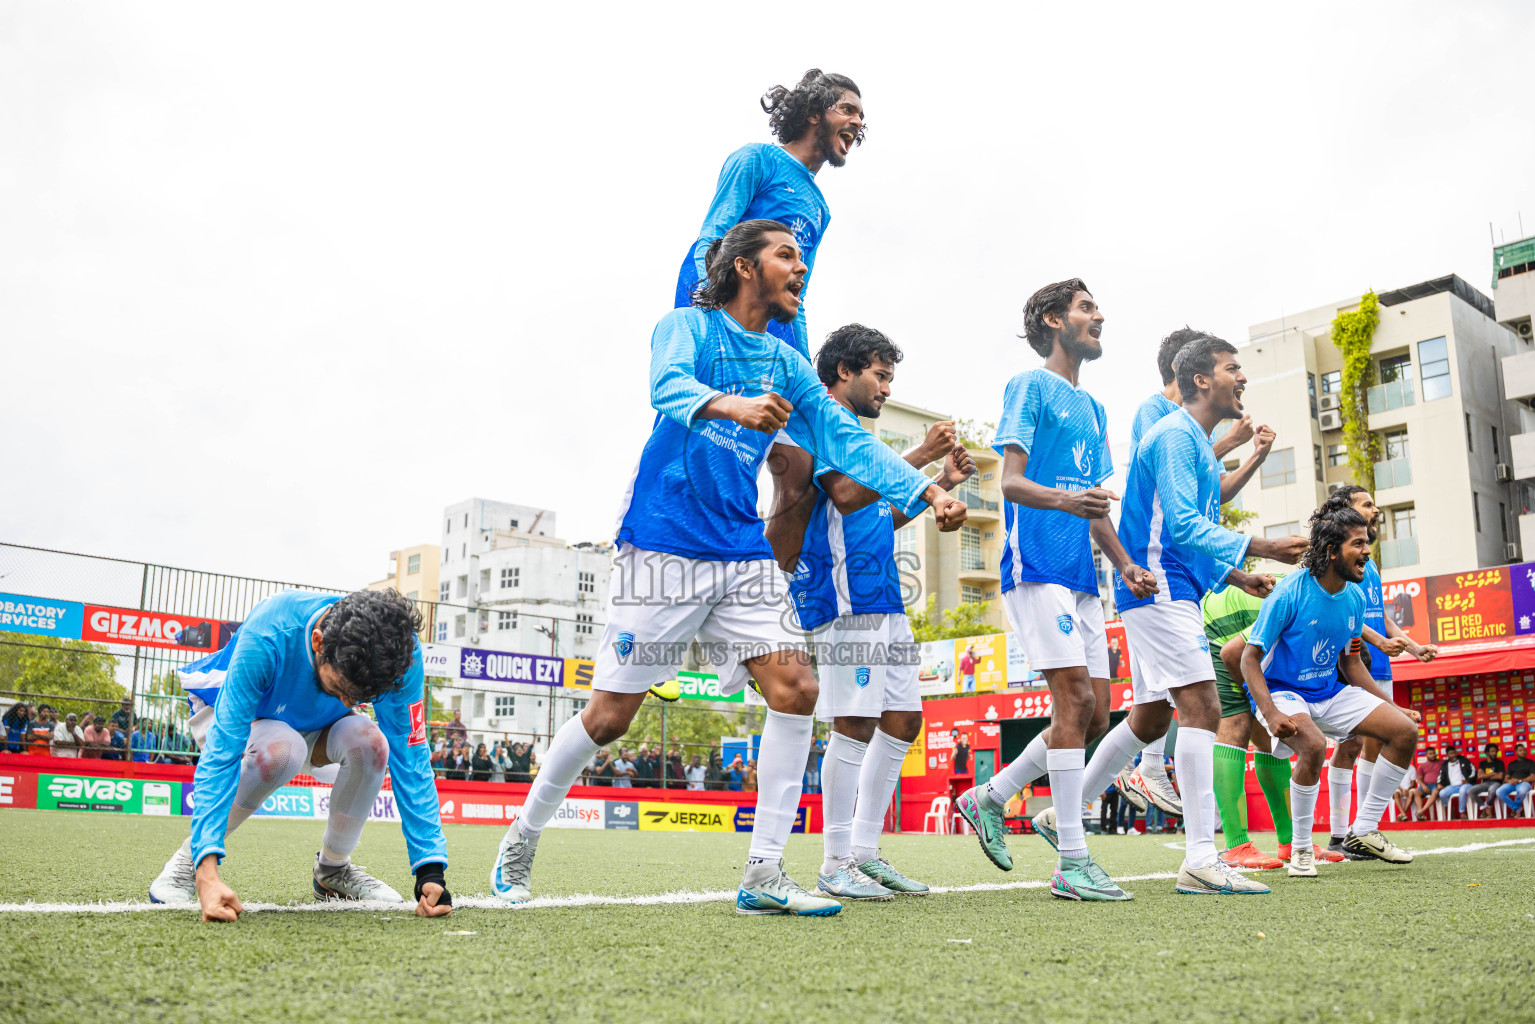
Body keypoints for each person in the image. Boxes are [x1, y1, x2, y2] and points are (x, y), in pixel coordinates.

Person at [488, 219, 963, 918]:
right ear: (744, 267)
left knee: (796, 688)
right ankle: (522, 834)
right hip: (665, 540)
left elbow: (844, 444)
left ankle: (764, 870)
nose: (800, 267)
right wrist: (730, 404)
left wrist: (925, 488)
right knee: (612, 715)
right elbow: (664, 385)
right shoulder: (688, 327)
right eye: (786, 255)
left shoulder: (787, 363)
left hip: (741, 549)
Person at [1067, 333, 1312, 896]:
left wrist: (1236, 574)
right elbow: (1180, 528)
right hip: (1157, 588)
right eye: (1233, 368)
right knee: (1200, 708)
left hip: (1172, 587)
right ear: (1202, 379)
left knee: (1154, 717)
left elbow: (1190, 526)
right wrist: (1264, 547)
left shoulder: (1195, 441)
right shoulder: (1176, 434)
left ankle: (1068, 809)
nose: (1242, 378)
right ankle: (1202, 856)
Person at [955, 279, 1159, 903]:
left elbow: (1097, 508)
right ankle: (1073, 859)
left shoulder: (1095, 410)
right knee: (1072, 701)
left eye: (1096, 307)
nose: (1099, 316)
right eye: (1085, 308)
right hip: (1036, 563)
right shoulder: (1029, 387)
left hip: (1083, 577)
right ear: (1053, 320)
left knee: (1095, 714)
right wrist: (1070, 500)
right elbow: (1009, 484)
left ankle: (988, 797)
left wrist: (1124, 565)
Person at [787, 322, 975, 899]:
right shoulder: (824, 417)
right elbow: (844, 492)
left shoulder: (855, 430)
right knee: (855, 721)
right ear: (844, 370)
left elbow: (877, 515)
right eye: (880, 375)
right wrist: (922, 454)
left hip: (882, 596)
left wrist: (937, 479)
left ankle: (865, 853)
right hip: (844, 599)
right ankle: (835, 860)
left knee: (903, 719)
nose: (886, 389)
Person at [147, 589, 452, 921]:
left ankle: (332, 872)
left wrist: (430, 870)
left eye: (360, 697)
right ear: (319, 642)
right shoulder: (269, 634)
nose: (351, 705)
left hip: (315, 719)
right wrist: (206, 868)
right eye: (342, 689)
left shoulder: (400, 654)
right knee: (281, 751)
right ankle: (188, 863)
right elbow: (222, 754)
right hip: (235, 711)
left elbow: (412, 757)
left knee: (372, 744)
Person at [676, 71, 869, 583]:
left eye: (860, 114)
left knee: (800, 475)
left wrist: (805, 367)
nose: (858, 121)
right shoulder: (756, 160)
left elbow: (796, 295)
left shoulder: (820, 207)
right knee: (711, 455)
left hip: (778, 344)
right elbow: (712, 239)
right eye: (848, 109)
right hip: (725, 322)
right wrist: (707, 320)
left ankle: (761, 591)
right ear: (814, 112)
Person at [1239, 506, 1424, 872]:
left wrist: (1394, 707)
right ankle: (1302, 849)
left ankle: (1364, 830)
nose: (1367, 551)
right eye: (1358, 544)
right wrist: (1271, 713)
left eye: (1367, 542)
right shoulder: (1290, 591)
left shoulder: (1354, 599)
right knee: (1313, 745)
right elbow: (1248, 658)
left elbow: (1351, 664)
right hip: (1282, 690)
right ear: (1331, 551)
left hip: (1327, 691)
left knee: (1404, 732)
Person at [1318, 486, 1437, 856]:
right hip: (1349, 660)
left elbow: (1378, 614)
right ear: (1346, 513)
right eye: (1367, 503)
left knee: (1377, 744)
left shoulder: (1369, 563)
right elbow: (1345, 614)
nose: (1375, 509)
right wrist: (1377, 642)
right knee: (1350, 745)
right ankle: (1342, 833)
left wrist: (1412, 645)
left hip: (1377, 663)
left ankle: (1361, 830)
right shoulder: (1334, 560)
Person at [1204, 577, 1299, 870]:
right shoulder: (1294, 605)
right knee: (1237, 724)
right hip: (1218, 634)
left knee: (1270, 740)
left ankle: (1292, 842)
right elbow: (1232, 654)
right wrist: (1257, 703)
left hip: (1243, 630)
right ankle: (1236, 846)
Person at [1466, 743, 1506, 815]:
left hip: (1496, 783)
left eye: (1496, 751)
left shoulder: (1500, 762)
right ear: (1487, 753)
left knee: (1492, 790)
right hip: (1485, 784)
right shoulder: (1482, 763)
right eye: (1492, 751)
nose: (1495, 753)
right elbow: (1480, 776)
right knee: (1470, 791)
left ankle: (1487, 805)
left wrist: (1485, 775)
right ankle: (1483, 805)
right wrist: (1493, 774)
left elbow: (1500, 777)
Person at [1496, 743, 1534, 815]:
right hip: (1512, 783)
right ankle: (1517, 808)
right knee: (1499, 791)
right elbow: (1506, 778)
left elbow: (1533, 777)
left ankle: (1516, 809)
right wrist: (1509, 780)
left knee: (1522, 791)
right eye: (1520, 750)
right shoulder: (1512, 764)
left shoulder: (1531, 763)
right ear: (1516, 752)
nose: (1523, 752)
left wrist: (1520, 780)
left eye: (1524, 750)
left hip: (1524, 783)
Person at [1438, 746, 1475, 817]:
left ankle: (1462, 812)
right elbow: (1440, 776)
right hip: (1452, 786)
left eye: (1454, 753)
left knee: (1463, 790)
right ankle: (1450, 809)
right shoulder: (1445, 765)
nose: (1453, 755)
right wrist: (1439, 784)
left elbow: (1473, 771)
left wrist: (1468, 780)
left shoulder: (1464, 760)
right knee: (1442, 793)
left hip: (1465, 785)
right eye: (1451, 753)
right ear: (1447, 755)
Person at [1412, 747, 1444, 818]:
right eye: (1430, 754)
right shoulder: (1422, 766)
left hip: (1436, 785)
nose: (1433, 755)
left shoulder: (1442, 762)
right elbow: (1419, 779)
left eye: (1434, 753)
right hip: (1426, 785)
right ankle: (1421, 814)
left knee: (1435, 792)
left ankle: (1421, 811)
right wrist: (1423, 786)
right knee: (1416, 792)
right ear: (1426, 755)